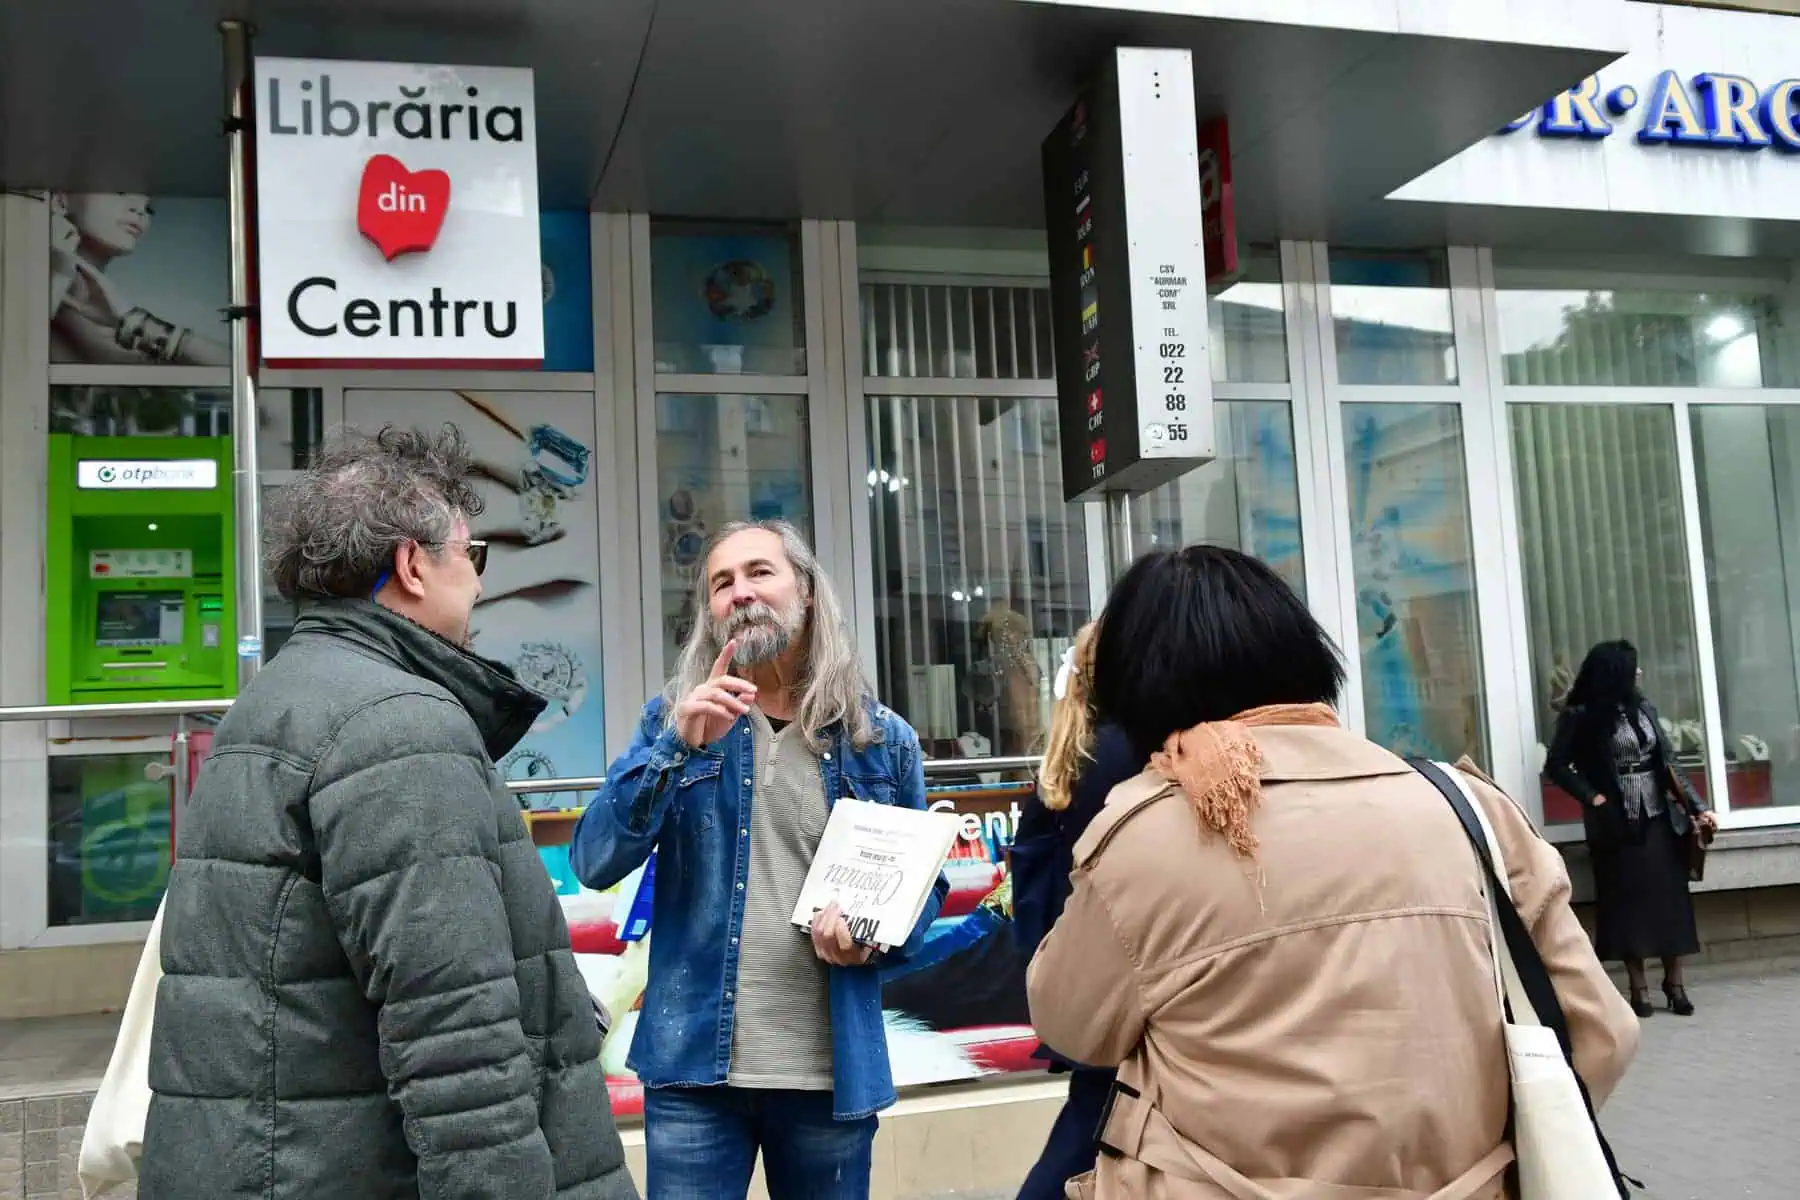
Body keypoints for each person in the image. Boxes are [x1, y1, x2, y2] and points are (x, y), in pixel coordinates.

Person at [1027, 545, 1639, 1199]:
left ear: (1136, 689)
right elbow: (1604, 1031)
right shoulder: (1468, 809)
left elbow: (1072, 1025)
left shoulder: (1141, 837)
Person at [139, 426, 635, 1200]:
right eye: (470, 557)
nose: (478, 585)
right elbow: (457, 1039)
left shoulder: (270, 704)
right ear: (412, 564)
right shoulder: (399, 727)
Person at [571, 519, 947, 1200]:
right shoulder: (673, 720)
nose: (740, 592)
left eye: (759, 572)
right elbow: (594, 859)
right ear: (710, 611)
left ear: (806, 590)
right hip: (692, 1074)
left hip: (827, 1076)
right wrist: (676, 748)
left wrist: (869, 936)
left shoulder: (880, 739)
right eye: (722, 582)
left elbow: (922, 889)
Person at [1009, 621, 1143, 1200]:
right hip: (1129, 971)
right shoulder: (1134, 753)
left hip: (1083, 970)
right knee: (1090, 1131)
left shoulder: (1075, 753)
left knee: (1093, 1116)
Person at [1545, 639, 1717, 1017]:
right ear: (1615, 673)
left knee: (1670, 900)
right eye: (1632, 667)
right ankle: (1638, 987)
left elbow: (1670, 764)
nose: (1639, 672)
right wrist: (1593, 798)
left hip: (1659, 816)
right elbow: (1555, 766)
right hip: (1616, 822)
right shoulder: (1581, 715)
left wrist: (1700, 808)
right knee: (1627, 903)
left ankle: (1674, 983)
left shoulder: (1644, 708)